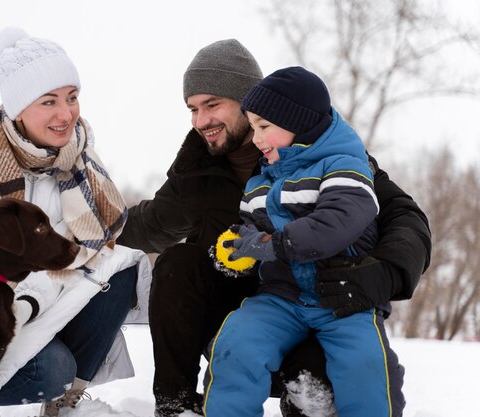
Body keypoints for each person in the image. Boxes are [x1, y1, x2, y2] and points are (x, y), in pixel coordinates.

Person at [117, 40, 431, 417]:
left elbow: (405, 218)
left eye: (212, 104)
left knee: (325, 378)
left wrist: (385, 272)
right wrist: (74, 235)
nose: (200, 121)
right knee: (177, 262)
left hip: (325, 307)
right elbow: (144, 225)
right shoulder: (197, 171)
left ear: (251, 101)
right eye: (193, 109)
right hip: (257, 311)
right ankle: (176, 407)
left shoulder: (333, 159)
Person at [0, 27, 152, 417]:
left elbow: (99, 248)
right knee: (52, 369)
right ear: (18, 108)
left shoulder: (84, 167)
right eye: (49, 101)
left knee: (120, 266)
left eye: (72, 98)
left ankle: (67, 402)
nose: (66, 113)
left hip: (54, 308)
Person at [204, 66, 398, 417]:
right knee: (236, 343)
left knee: (365, 367)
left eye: (264, 127)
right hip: (281, 297)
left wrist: (272, 244)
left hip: (343, 298)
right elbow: (248, 230)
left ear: (299, 123)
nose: (257, 138)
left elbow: (336, 223)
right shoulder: (260, 183)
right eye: (253, 128)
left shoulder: (344, 167)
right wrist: (235, 250)